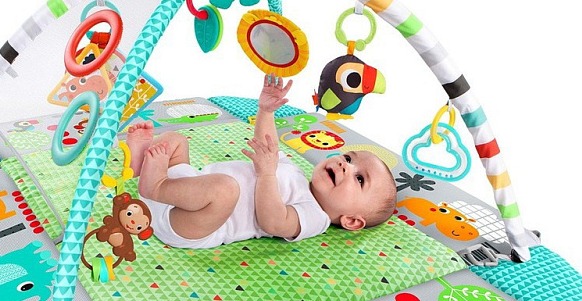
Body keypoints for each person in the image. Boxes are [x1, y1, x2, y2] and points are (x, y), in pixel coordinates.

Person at [126, 75, 397, 249]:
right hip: (183, 191)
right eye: (348, 158)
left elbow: (274, 222)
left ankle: (155, 187)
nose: (345, 165)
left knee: (225, 189)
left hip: (190, 225)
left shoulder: (316, 217)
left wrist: (267, 175)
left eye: (359, 178)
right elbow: (267, 143)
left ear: (351, 221)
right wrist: (265, 111)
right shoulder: (294, 172)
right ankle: (141, 170)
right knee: (175, 140)